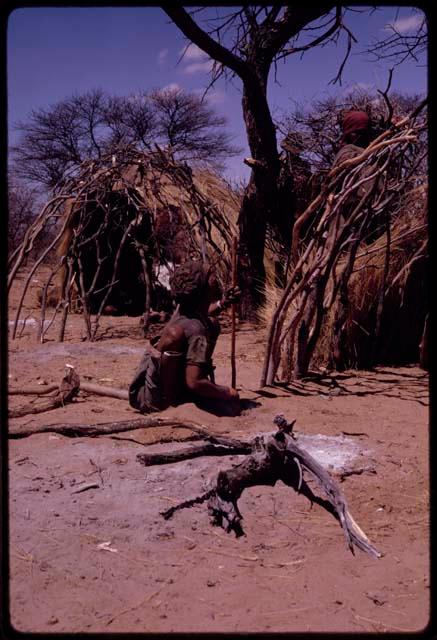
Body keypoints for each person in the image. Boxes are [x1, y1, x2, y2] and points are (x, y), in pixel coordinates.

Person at [129, 260, 241, 416]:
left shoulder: (182, 312)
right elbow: (194, 382)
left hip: (148, 392)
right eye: (211, 278)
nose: (215, 281)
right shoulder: (196, 330)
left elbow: (205, 312)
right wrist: (227, 392)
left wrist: (223, 303)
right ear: (202, 288)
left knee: (212, 322)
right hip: (156, 401)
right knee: (231, 407)